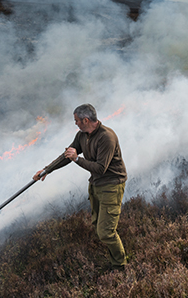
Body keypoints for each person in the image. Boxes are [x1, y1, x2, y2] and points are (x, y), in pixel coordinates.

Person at [34, 104, 128, 269]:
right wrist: (46, 170)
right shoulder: (82, 135)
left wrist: (77, 159)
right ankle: (114, 259)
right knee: (98, 226)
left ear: (86, 120)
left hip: (111, 186)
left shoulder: (107, 137)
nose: (75, 123)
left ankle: (120, 265)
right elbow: (67, 155)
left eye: (77, 120)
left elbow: (100, 168)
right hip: (96, 185)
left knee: (106, 232)